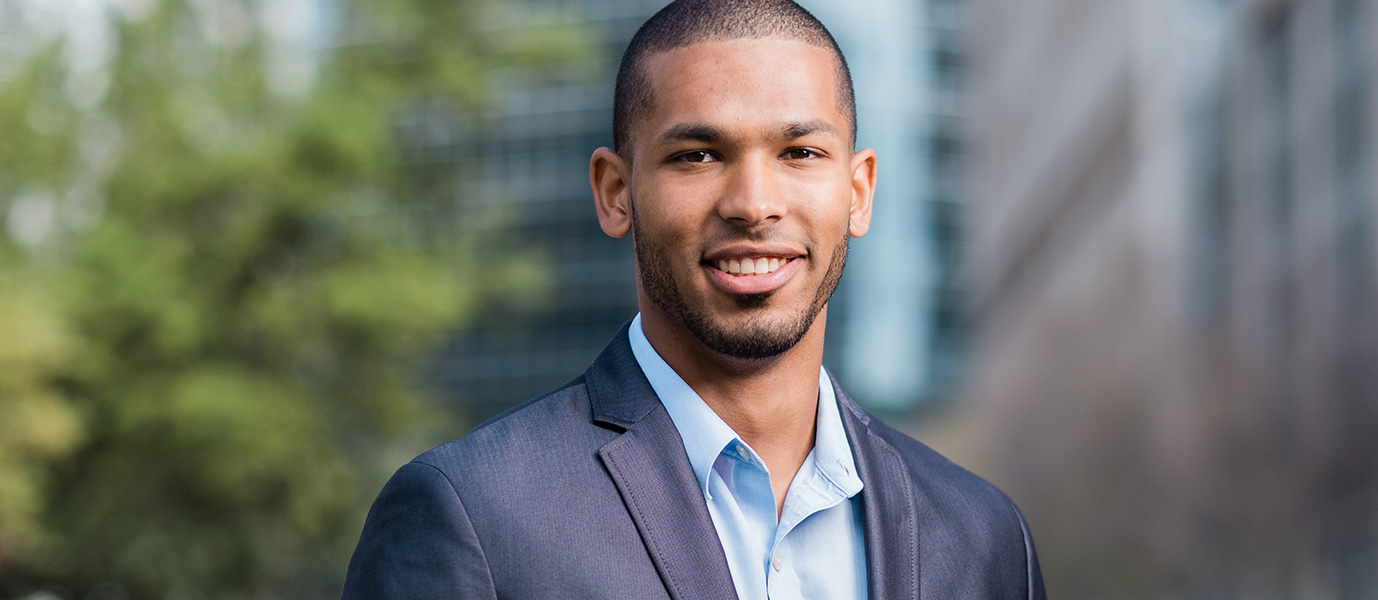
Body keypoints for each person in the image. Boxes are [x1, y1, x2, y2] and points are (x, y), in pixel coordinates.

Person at [339, 1, 1045, 598]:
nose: (754, 205)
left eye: (800, 153)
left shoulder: (982, 536)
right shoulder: (470, 513)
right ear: (616, 193)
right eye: (697, 156)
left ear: (857, 192)